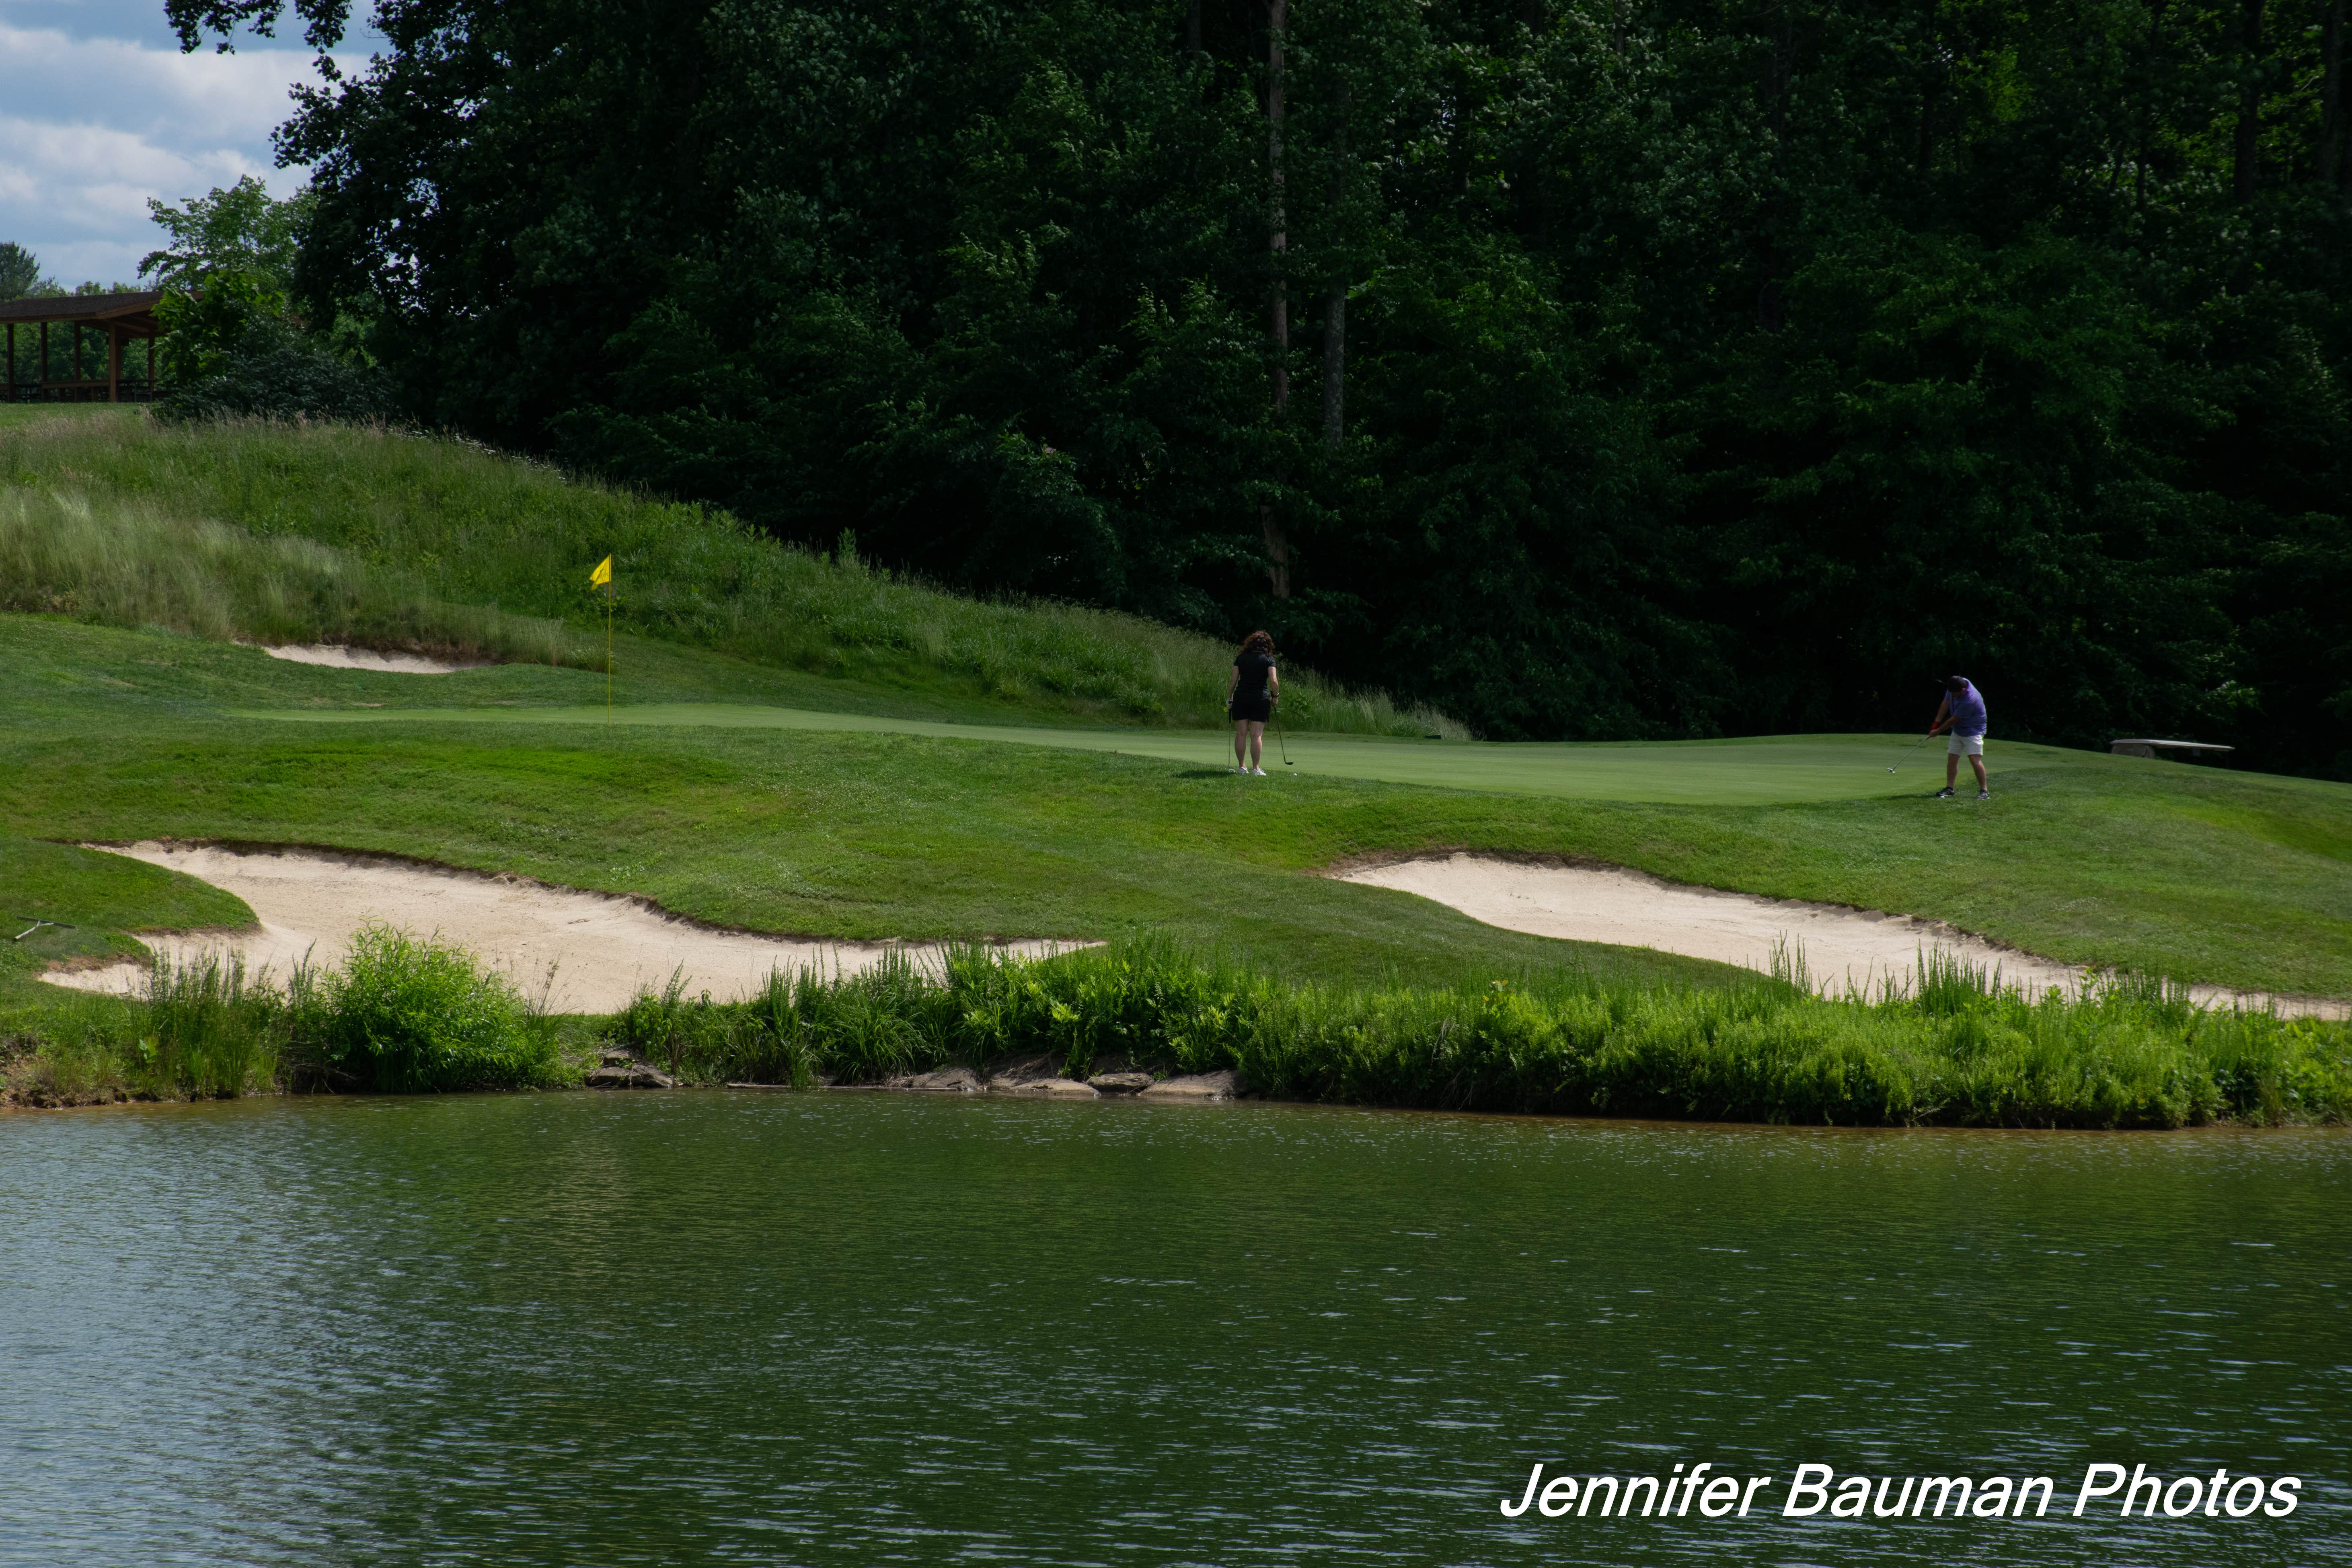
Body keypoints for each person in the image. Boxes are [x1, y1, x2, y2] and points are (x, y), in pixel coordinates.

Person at [1927, 675, 1989, 799]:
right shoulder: (1955, 684)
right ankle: (1950, 789)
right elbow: (1946, 703)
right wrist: (1936, 723)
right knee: (1952, 758)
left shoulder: (1970, 700)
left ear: (1963, 690)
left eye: (1955, 694)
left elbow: (1954, 719)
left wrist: (1938, 731)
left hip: (1973, 731)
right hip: (1958, 730)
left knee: (1974, 759)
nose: (1953, 696)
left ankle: (1984, 791)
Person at [1227, 630, 1279, 775]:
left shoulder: (1241, 658)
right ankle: (1256, 769)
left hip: (1241, 697)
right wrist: (1275, 697)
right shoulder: (1269, 659)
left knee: (1241, 733)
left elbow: (1233, 680)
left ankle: (1242, 767)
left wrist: (1229, 697)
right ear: (1267, 645)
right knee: (1256, 735)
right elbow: (1274, 681)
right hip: (1260, 698)